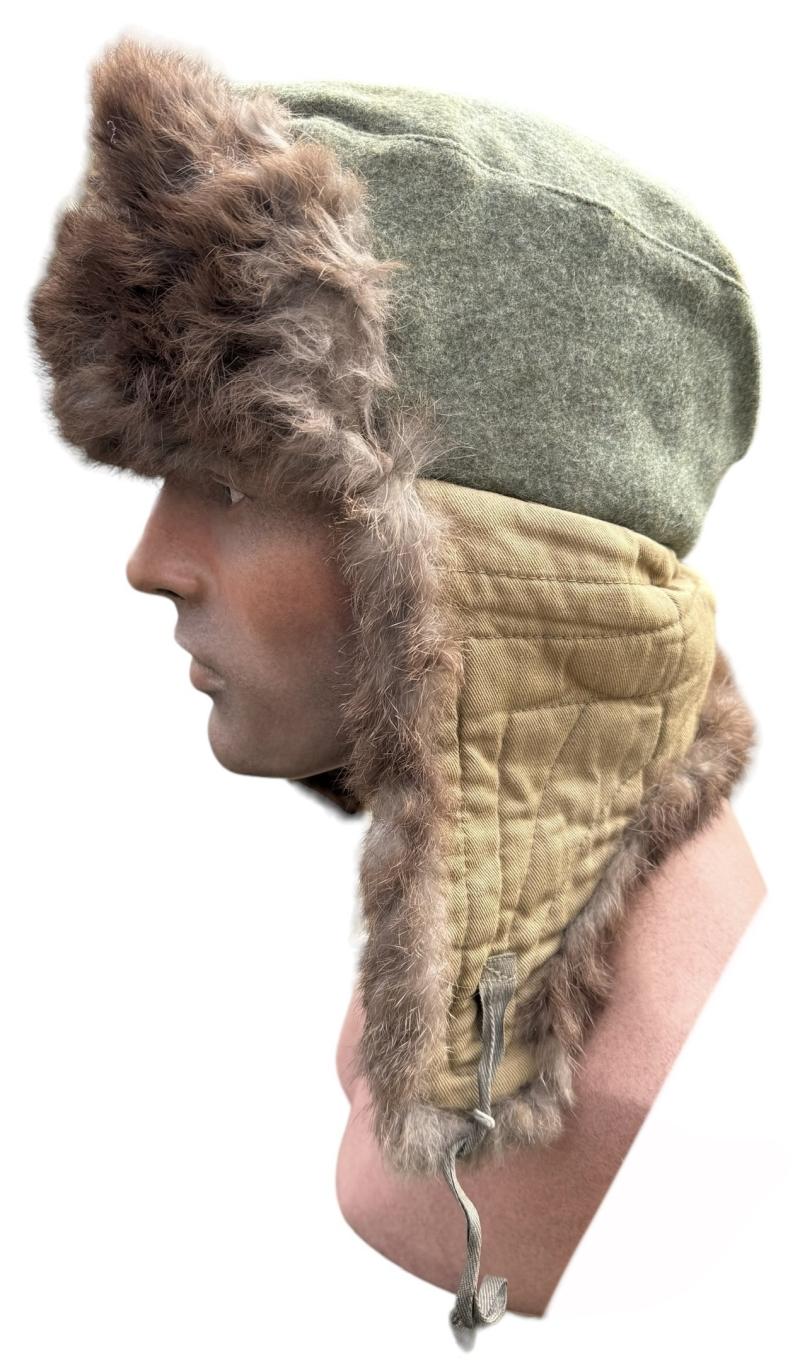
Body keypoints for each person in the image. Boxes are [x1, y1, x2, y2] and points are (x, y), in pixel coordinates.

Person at [28, 34, 764, 1333]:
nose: (152, 562)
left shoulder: (702, 1088)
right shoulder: (441, 991)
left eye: (235, 483)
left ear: (489, 561)